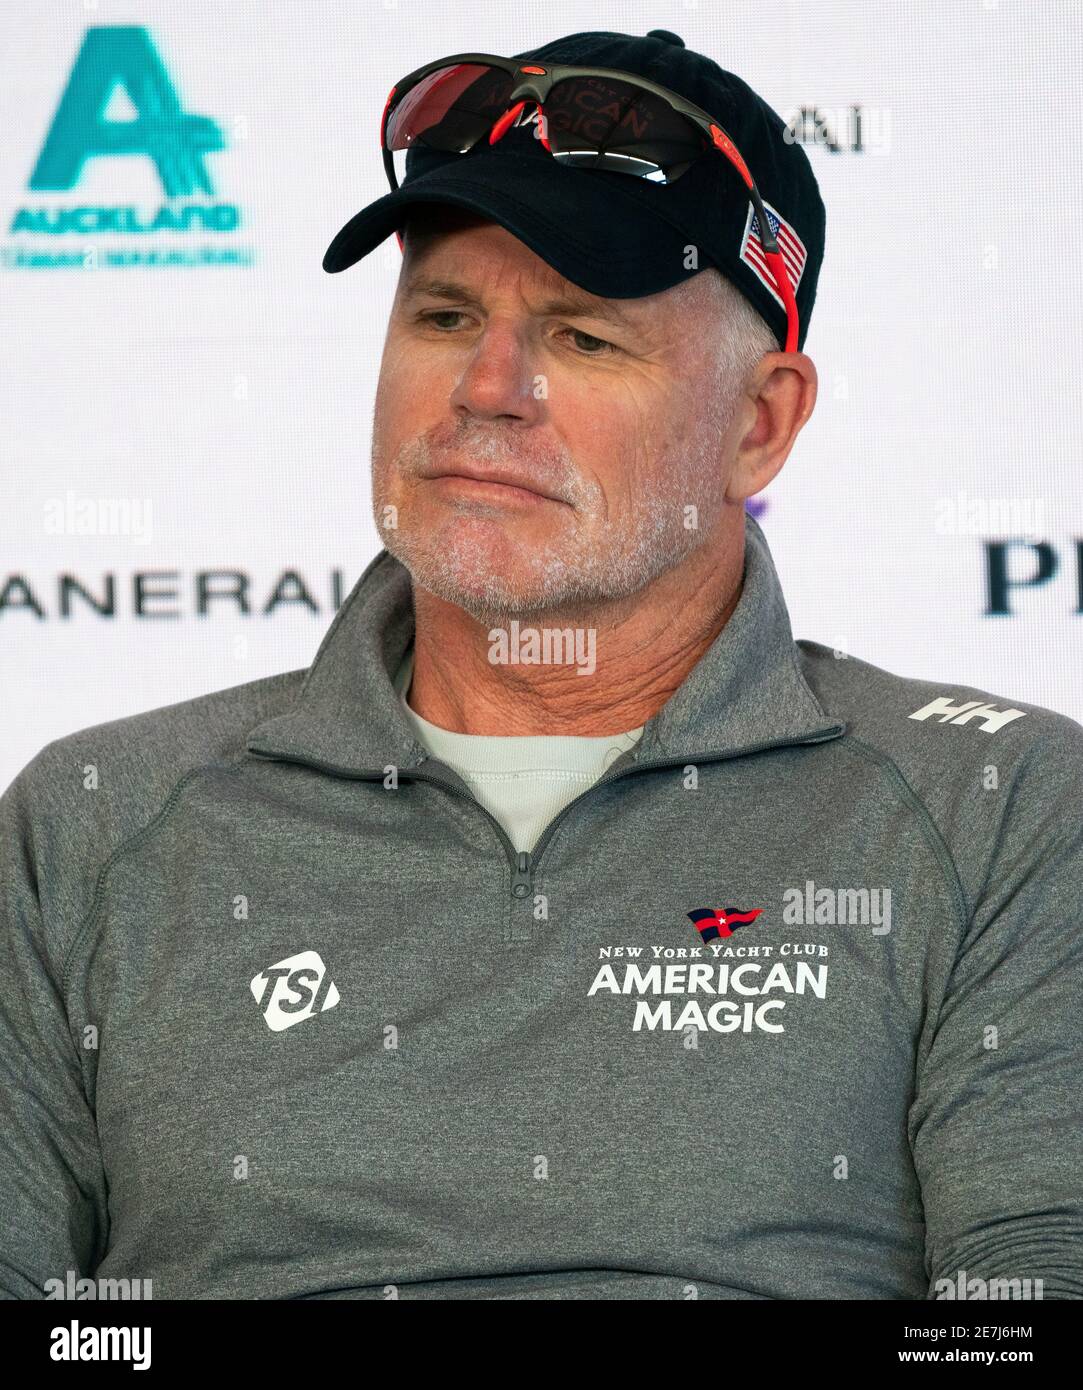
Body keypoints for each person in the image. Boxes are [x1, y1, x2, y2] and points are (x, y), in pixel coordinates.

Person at [2, 28, 1081, 1301]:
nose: (488, 387)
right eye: (445, 315)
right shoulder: (94, 815)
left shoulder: (999, 806)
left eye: (582, 338)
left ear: (760, 422)